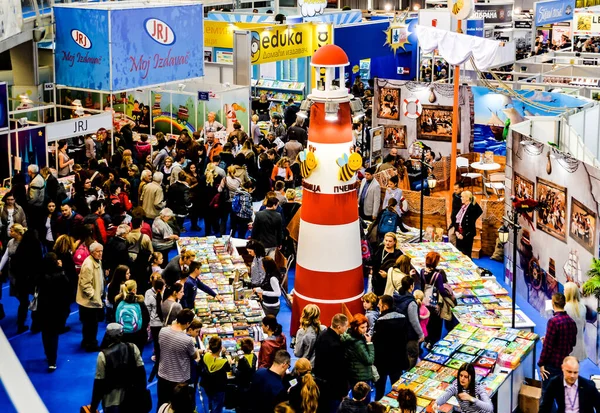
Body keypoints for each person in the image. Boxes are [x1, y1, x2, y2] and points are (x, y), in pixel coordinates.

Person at [89, 323, 149, 413]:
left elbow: (99, 383)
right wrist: (142, 392)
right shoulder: (133, 348)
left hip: (111, 400)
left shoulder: (103, 355)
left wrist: (94, 406)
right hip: (132, 396)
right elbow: (142, 374)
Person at [157, 309, 199, 407]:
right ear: (188, 323)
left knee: (162, 404)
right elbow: (194, 356)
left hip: (163, 375)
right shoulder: (187, 340)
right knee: (179, 407)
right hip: (179, 380)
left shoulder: (163, 331)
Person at [539, 292, 578, 396]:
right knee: (562, 396)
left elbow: (548, 347)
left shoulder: (553, 322)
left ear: (553, 304)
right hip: (564, 363)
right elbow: (573, 343)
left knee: (547, 397)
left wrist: (541, 364)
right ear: (564, 303)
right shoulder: (572, 322)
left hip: (552, 365)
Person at [37, 252, 71, 371]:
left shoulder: (41, 274)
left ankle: (48, 355)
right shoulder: (60, 275)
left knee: (45, 334)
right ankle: (52, 360)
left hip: (43, 308)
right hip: (56, 309)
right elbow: (67, 287)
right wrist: (61, 268)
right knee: (53, 335)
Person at [373, 294, 407, 401]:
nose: (378, 306)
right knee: (397, 386)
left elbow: (377, 343)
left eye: (380, 305)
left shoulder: (380, 322)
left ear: (385, 306)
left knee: (380, 388)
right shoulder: (402, 317)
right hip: (398, 358)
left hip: (382, 361)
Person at [314, 314, 349, 412]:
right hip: (333, 388)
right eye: (346, 326)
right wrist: (344, 391)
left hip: (320, 382)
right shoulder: (336, 345)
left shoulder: (322, 335)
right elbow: (340, 370)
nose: (347, 328)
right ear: (339, 327)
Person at [76, 242, 105, 351]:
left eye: (101, 251)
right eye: (98, 251)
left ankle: (86, 341)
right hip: (89, 302)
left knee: (89, 325)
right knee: (91, 325)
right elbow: (85, 284)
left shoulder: (97, 261)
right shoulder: (88, 265)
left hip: (92, 300)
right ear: (92, 252)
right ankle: (90, 344)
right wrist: (94, 296)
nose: (100, 253)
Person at [393, 276, 424, 369]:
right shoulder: (411, 303)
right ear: (411, 286)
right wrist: (421, 334)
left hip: (399, 333)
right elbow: (414, 320)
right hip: (410, 335)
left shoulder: (396, 297)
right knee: (412, 356)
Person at [420, 251, 449, 347]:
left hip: (425, 300)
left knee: (427, 322)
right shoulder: (438, 275)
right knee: (436, 323)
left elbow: (421, 286)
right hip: (435, 302)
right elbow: (441, 290)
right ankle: (432, 342)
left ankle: (426, 339)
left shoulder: (422, 271)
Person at [114, 279, 150, 355]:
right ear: (134, 290)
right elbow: (146, 319)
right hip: (138, 336)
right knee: (137, 358)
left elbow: (114, 318)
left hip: (121, 336)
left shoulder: (118, 301)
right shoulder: (140, 302)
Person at [341, 314, 375, 389]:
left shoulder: (349, 336)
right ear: (356, 328)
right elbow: (369, 360)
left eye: (366, 327)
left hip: (354, 374)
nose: (365, 329)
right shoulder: (358, 343)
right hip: (362, 376)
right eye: (362, 327)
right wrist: (369, 343)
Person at [200, 336, 232, 413]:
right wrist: (224, 355)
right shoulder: (223, 362)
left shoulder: (206, 356)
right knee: (218, 406)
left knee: (210, 401)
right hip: (219, 388)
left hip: (207, 386)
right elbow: (228, 369)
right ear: (220, 348)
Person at [451, 190, 483, 258]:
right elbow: (458, 220)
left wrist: (463, 235)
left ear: (467, 198)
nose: (461, 198)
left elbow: (470, 224)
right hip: (459, 233)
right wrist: (456, 231)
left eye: (462, 197)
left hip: (467, 235)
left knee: (466, 254)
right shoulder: (463, 207)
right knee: (459, 253)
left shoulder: (471, 209)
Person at [564, 282, 588, 361]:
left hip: (567, 346)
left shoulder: (565, 307)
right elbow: (584, 326)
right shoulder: (583, 307)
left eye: (564, 290)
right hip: (579, 344)